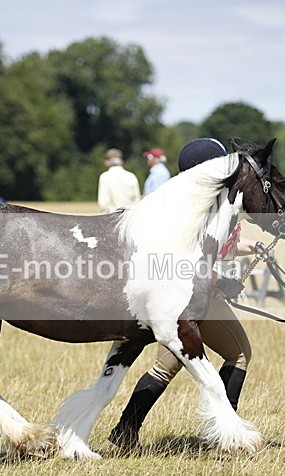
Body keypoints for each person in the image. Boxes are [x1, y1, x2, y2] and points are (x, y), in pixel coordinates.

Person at [108, 138, 262, 450]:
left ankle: (125, 431)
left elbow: (219, 250)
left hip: (175, 299)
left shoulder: (184, 203)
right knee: (239, 354)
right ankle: (227, 433)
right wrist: (222, 283)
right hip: (194, 299)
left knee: (165, 367)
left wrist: (252, 249)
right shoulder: (212, 208)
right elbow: (199, 263)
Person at [98, 148, 141, 213]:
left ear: (107, 162)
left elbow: (104, 203)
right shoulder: (131, 176)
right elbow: (137, 200)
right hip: (130, 216)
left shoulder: (105, 177)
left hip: (112, 216)